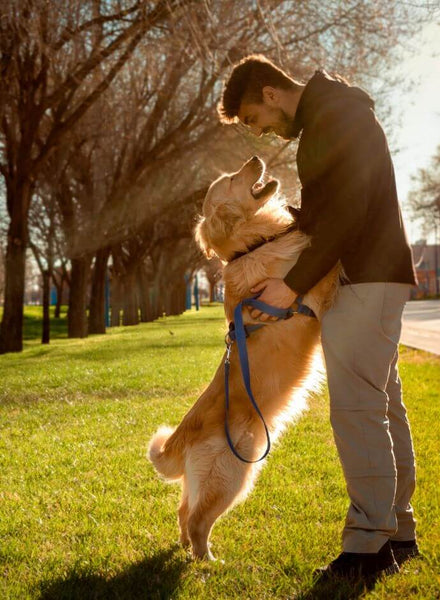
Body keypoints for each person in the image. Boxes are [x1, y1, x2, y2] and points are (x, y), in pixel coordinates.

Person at [217, 55, 419, 580]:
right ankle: (398, 531)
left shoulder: (335, 116)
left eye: (255, 121)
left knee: (356, 409)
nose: (262, 134)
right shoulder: (332, 116)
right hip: (372, 273)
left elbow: (348, 211)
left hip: (363, 275)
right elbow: (331, 211)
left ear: (269, 94)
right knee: (381, 403)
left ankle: (367, 545)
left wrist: (291, 283)